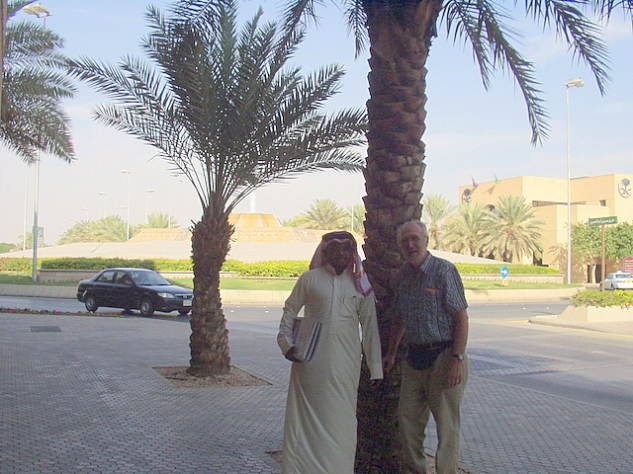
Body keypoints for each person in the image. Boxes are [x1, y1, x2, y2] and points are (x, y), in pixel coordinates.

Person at [277, 230, 383, 474]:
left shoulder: (361, 284)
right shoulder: (309, 279)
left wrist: (375, 368)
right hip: (310, 364)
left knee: (341, 421)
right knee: (304, 421)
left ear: (352, 253)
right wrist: (286, 344)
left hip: (346, 366)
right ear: (325, 251)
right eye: (336, 248)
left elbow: (370, 327)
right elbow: (290, 310)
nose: (342, 253)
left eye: (347, 249)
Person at [383, 220, 469, 474]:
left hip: (445, 356)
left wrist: (457, 358)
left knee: (447, 427)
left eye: (415, 239)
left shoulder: (444, 271)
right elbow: (399, 317)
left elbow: (461, 317)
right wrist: (391, 353)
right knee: (407, 422)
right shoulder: (402, 276)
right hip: (414, 359)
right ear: (399, 246)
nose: (410, 245)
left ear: (426, 240)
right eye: (405, 241)